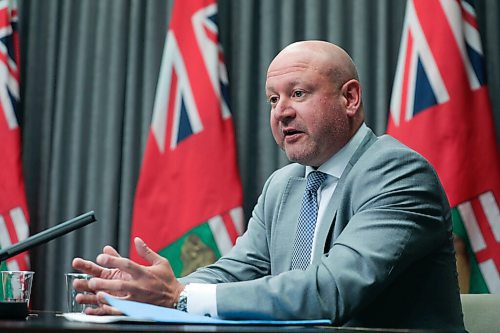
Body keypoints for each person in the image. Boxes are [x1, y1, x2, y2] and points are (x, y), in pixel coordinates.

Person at [72, 40, 465, 330]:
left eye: (298, 93)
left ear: (350, 98)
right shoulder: (286, 185)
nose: (282, 112)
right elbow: (236, 272)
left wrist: (178, 297)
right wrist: (150, 290)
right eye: (273, 100)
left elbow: (331, 292)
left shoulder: (398, 173)